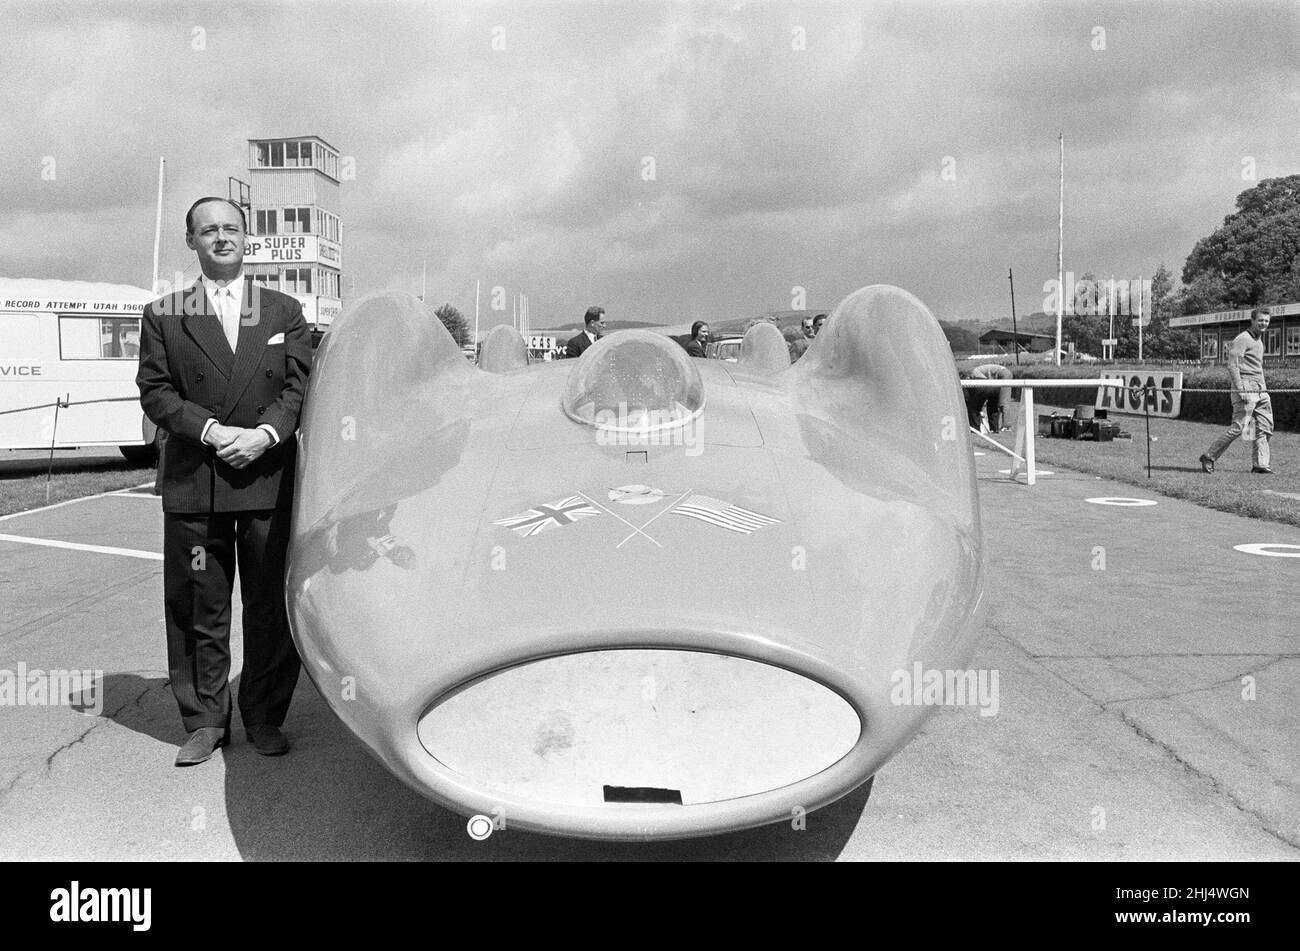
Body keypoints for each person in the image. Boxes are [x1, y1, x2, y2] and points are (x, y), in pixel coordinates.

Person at [136, 196, 312, 766]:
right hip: (197, 479)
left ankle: (264, 716)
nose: (221, 238)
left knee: (267, 607)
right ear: (191, 242)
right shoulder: (164, 313)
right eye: (208, 231)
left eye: (231, 229)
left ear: (247, 238)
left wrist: (264, 434)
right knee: (197, 608)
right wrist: (211, 432)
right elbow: (156, 392)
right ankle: (205, 723)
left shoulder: (283, 311)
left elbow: (299, 387)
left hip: (266, 476)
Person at [1200, 307, 1274, 474]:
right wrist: (1241, 390)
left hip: (1261, 390)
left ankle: (1260, 464)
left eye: (1266, 321)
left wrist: (1264, 389)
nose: (1264, 323)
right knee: (1239, 427)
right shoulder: (1243, 338)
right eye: (1260, 320)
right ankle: (1209, 456)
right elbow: (1232, 365)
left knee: (1265, 426)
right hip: (1246, 388)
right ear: (1253, 320)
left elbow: (1257, 368)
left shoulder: (1259, 341)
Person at [964, 363, 1013, 431]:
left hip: (996, 379)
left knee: (975, 407)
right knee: (995, 406)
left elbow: (982, 389)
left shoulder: (973, 374)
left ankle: (975, 429)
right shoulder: (979, 370)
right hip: (1000, 379)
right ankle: (995, 429)